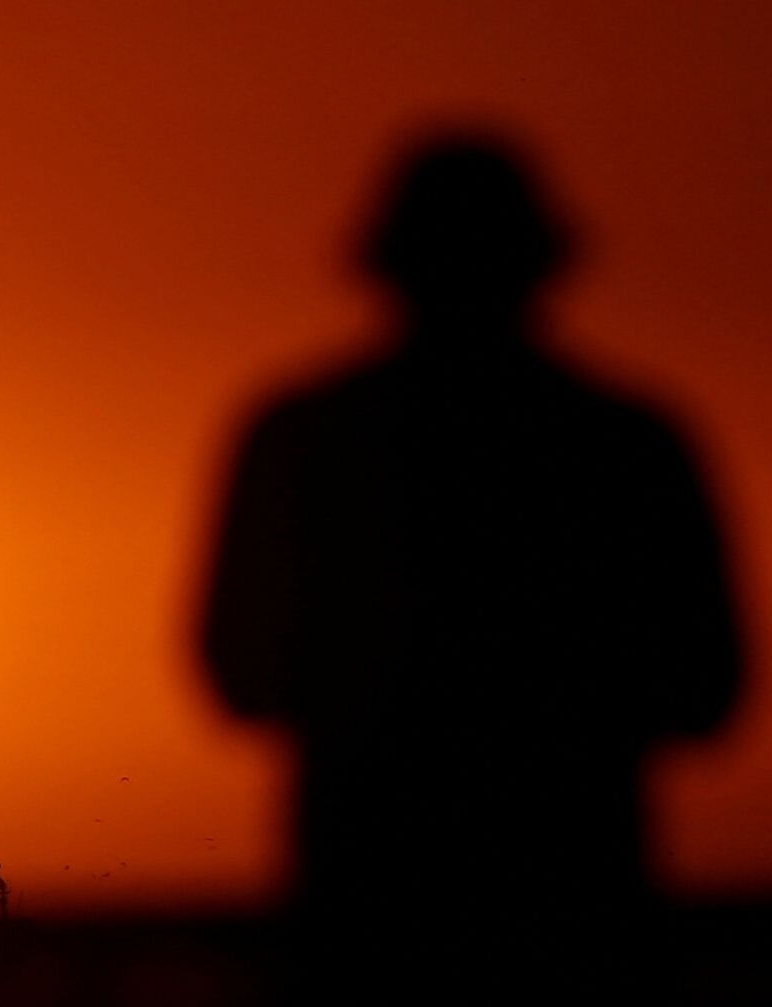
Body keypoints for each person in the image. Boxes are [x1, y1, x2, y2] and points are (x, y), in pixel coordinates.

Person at [200, 134, 741, 998]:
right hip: (582, 914)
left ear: (381, 265)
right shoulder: (629, 445)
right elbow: (708, 689)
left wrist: (381, 698)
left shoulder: (301, 439)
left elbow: (236, 674)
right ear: (545, 263)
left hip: (364, 914)